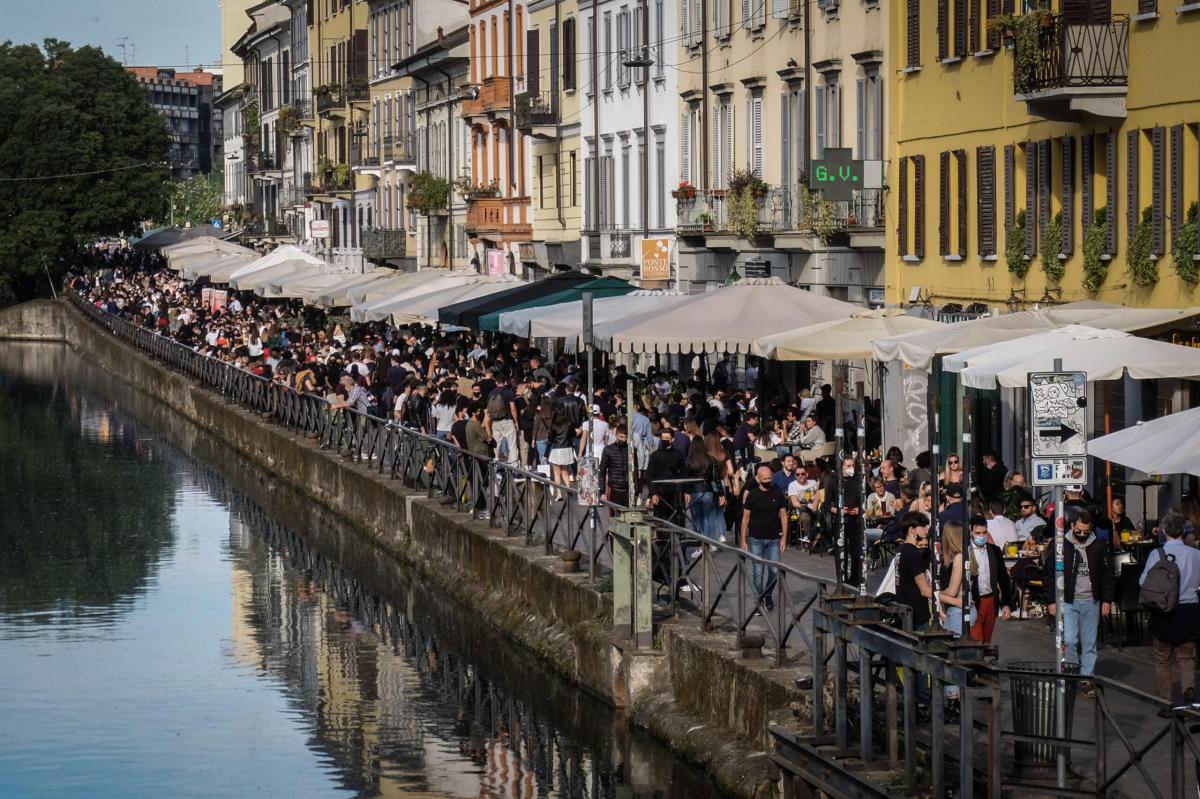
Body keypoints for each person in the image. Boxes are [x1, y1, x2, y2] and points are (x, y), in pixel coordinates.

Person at [1042, 510, 1114, 695]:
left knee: (1089, 643)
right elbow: (1049, 573)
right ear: (1072, 525)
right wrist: (1050, 600)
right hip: (1069, 600)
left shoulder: (1098, 545)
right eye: (1079, 531)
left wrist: (1107, 599)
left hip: (1091, 600)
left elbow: (1107, 574)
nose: (1082, 535)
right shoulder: (1061, 545)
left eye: (1086, 531)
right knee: (1070, 639)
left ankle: (1086, 678)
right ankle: (1073, 671)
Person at [1139, 510, 1200, 706]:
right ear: (1183, 531)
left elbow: (1144, 582)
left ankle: (1165, 701)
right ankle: (1188, 694)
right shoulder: (1196, 554)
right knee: (1187, 657)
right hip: (1189, 610)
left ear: (1164, 531)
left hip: (1163, 610)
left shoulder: (1157, 554)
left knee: (1163, 658)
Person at [740, 465, 789, 611]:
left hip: (774, 538)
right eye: (765, 478)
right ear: (759, 479)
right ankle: (758, 599)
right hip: (755, 538)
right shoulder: (753, 495)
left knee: (774, 571)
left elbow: (784, 516)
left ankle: (768, 594)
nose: (768, 481)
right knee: (758, 572)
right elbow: (745, 518)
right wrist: (743, 539)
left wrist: (784, 537)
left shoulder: (778, 493)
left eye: (770, 478)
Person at [966, 515, 1013, 643]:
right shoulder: (966, 552)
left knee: (987, 641)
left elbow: (1003, 578)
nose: (981, 536)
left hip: (991, 600)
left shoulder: (994, 551)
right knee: (976, 640)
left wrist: (1006, 604)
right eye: (978, 533)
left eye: (984, 532)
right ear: (971, 532)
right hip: (974, 602)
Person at [684, 435, 726, 546]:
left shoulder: (689, 461)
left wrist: (686, 492)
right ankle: (710, 542)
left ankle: (699, 543)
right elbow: (716, 477)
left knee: (696, 518)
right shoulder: (710, 459)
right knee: (709, 517)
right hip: (708, 491)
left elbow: (686, 478)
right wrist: (721, 494)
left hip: (694, 491)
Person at [895, 511, 933, 631]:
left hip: (905, 611)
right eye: (923, 526)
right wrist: (952, 599)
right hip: (917, 614)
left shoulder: (901, 550)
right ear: (912, 530)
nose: (926, 529)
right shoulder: (912, 553)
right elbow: (925, 591)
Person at [646, 428, 686, 521]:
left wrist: (685, 491)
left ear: (672, 439)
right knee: (660, 521)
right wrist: (653, 493)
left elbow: (684, 473)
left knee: (675, 520)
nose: (664, 440)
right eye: (662, 438)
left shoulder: (678, 454)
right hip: (659, 493)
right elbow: (649, 475)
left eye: (667, 438)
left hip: (674, 494)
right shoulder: (655, 455)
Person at [938, 521, 968, 637]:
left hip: (958, 610)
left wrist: (934, 594)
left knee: (955, 651)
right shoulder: (957, 556)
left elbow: (952, 591)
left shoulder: (959, 557)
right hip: (955, 609)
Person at [484, 373, 519, 467]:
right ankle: (514, 466)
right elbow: (513, 408)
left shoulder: (491, 394)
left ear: (496, 382)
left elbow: (488, 411)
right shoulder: (509, 392)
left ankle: (496, 465)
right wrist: (516, 422)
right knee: (512, 445)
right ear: (505, 382)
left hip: (495, 422)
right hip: (507, 421)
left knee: (496, 445)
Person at [598, 425, 631, 507]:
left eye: (626, 437)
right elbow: (602, 471)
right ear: (616, 435)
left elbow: (635, 470)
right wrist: (602, 492)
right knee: (614, 517)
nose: (624, 439)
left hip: (628, 489)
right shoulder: (608, 449)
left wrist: (637, 491)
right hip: (613, 488)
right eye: (621, 437)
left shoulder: (631, 449)